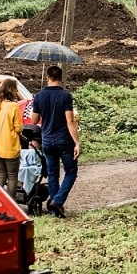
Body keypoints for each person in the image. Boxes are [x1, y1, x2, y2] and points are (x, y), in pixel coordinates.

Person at [31, 64, 81, 218]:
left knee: (52, 174)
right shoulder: (65, 96)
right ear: (61, 78)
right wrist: (77, 143)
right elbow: (70, 122)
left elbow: (34, 120)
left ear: (47, 78)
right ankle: (57, 201)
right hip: (64, 141)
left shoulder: (39, 96)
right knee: (71, 172)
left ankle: (55, 209)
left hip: (47, 140)